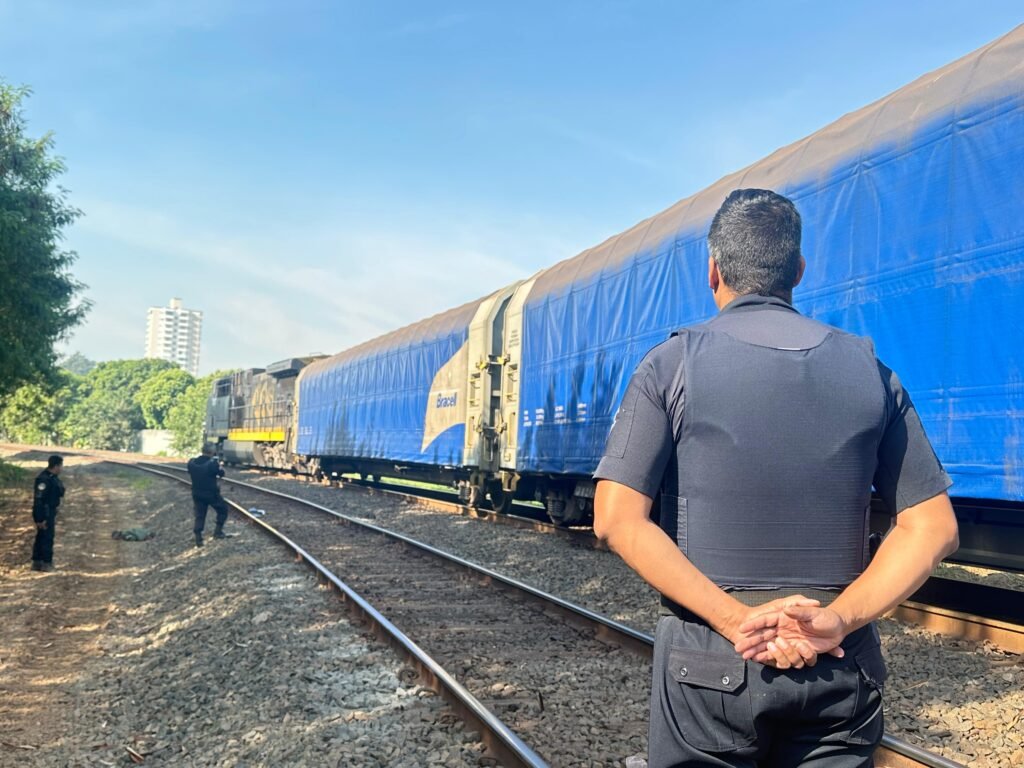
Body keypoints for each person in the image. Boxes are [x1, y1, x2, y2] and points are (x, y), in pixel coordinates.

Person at [593, 189, 959, 768]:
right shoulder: (871, 370)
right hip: (837, 662)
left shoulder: (671, 365)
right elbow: (933, 527)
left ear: (713, 271)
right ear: (799, 271)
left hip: (709, 665)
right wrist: (836, 619)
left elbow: (616, 519)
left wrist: (737, 621)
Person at [187, 444, 229, 547]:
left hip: (197, 493)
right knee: (223, 510)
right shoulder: (212, 464)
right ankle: (218, 532)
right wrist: (220, 466)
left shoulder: (191, 462)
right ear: (212, 452)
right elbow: (222, 474)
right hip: (211, 494)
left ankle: (198, 539)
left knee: (200, 515)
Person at [31, 454, 65, 572]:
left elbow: (60, 492)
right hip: (45, 512)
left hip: (50, 510)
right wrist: (40, 518)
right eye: (61, 466)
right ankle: (46, 562)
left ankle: (38, 562)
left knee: (42, 536)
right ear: (56, 466)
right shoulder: (44, 479)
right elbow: (39, 500)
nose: (62, 468)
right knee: (46, 537)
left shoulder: (52, 478)